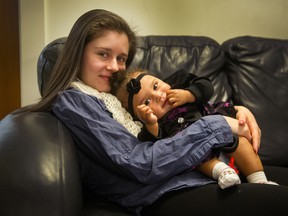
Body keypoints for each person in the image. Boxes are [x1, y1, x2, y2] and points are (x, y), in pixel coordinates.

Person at [24, 9, 267, 216]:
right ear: (78, 53)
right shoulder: (75, 101)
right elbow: (140, 163)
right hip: (169, 192)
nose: (114, 67)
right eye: (103, 54)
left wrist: (237, 110)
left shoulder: (110, 97)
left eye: (121, 58)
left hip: (198, 176)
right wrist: (218, 125)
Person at [111, 68, 278, 189]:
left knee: (241, 143)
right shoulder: (158, 122)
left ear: (159, 78)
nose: (158, 95)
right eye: (147, 102)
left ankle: (260, 180)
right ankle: (223, 172)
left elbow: (206, 85)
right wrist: (150, 123)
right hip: (200, 154)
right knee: (197, 158)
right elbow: (149, 142)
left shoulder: (179, 84)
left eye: (156, 86)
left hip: (222, 131)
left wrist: (189, 94)